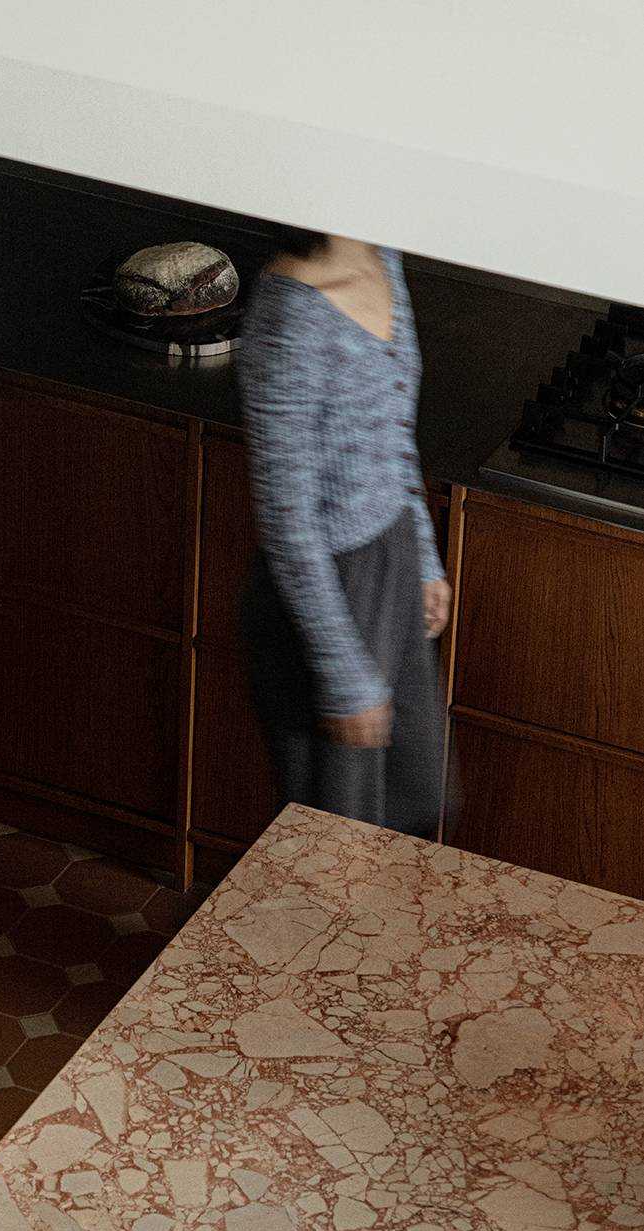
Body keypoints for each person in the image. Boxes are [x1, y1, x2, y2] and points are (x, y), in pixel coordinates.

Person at [237, 227, 453, 836]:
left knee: (420, 800)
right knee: (336, 841)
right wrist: (344, 677)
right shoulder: (289, 314)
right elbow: (287, 519)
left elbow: (394, 430)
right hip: (328, 589)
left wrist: (422, 557)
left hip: (392, 561)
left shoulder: (385, 256)